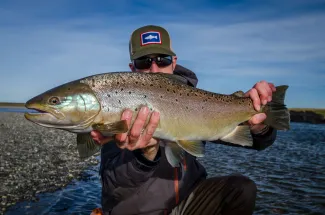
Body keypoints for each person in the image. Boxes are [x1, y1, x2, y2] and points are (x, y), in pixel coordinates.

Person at [90, 25, 277, 215]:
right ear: (132, 68)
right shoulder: (119, 108)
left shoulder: (194, 101)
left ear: (174, 62)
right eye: (144, 62)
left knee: (242, 189)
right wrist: (145, 154)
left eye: (163, 60)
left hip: (189, 204)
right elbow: (115, 186)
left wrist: (258, 124)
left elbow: (258, 143)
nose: (154, 69)